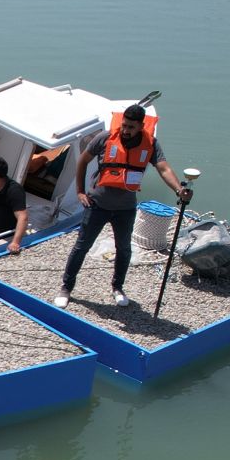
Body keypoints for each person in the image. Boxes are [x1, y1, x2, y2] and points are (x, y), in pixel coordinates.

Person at [56, 103, 190, 309]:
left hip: (125, 208)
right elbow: (82, 161)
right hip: (97, 204)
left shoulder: (151, 144)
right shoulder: (105, 138)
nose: (126, 131)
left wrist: (178, 190)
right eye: (124, 125)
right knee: (82, 246)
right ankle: (66, 288)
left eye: (131, 127)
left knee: (124, 249)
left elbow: (163, 168)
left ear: (141, 126)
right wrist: (80, 192)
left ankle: (117, 287)